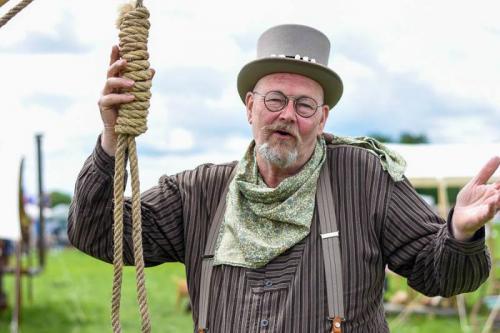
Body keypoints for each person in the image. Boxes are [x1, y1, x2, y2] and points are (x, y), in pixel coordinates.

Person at [68, 24, 498, 332]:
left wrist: (460, 233)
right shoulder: (199, 192)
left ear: (323, 117)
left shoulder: (366, 177)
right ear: (250, 107)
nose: (288, 115)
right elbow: (96, 233)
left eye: (305, 105)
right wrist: (111, 137)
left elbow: (441, 275)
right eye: (275, 99)